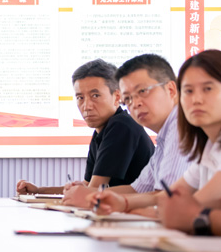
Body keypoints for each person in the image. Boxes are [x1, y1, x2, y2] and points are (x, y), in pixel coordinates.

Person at [92, 49, 221, 220]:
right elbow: (169, 195)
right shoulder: (208, 146)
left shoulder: (180, 130)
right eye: (188, 91)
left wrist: (155, 211)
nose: (196, 99)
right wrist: (123, 203)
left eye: (207, 89)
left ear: (171, 90)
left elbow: (193, 204)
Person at [62, 54, 191, 209]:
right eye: (128, 98)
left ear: (170, 89)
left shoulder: (180, 128)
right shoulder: (164, 138)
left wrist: (94, 197)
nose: (135, 104)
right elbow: (136, 189)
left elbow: (167, 198)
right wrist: (89, 194)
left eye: (142, 91)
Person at [17, 59, 154, 196]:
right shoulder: (101, 131)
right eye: (80, 97)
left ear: (117, 96)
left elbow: (90, 191)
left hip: (141, 208)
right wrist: (38, 190)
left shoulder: (121, 126)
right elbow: (87, 185)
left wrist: (81, 191)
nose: (86, 106)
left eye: (95, 95)